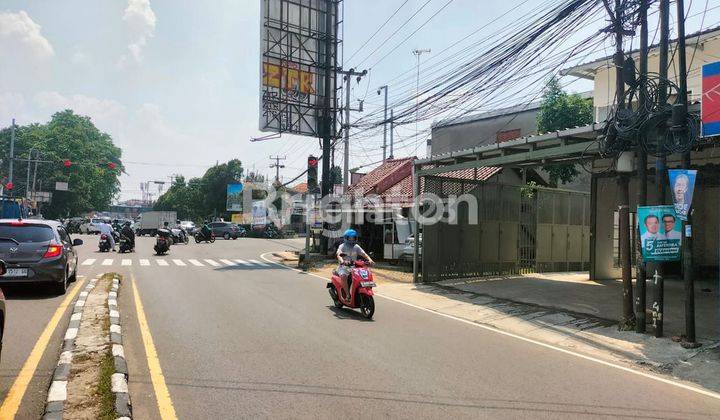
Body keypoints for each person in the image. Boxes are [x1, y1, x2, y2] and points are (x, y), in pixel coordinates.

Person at [335, 229, 374, 301]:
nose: (351, 239)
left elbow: (364, 254)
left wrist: (370, 260)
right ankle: (347, 295)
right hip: (344, 266)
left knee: (365, 274)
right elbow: (339, 255)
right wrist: (342, 261)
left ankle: (364, 288)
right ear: (346, 238)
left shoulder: (356, 246)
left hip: (354, 266)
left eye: (353, 238)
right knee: (344, 276)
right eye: (350, 238)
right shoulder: (342, 246)